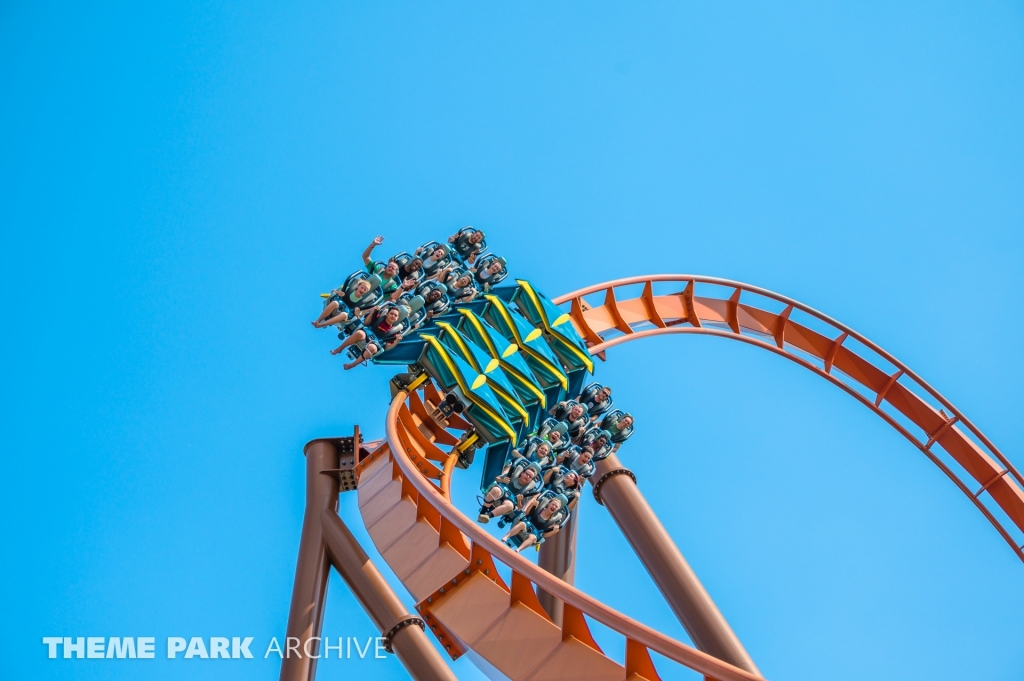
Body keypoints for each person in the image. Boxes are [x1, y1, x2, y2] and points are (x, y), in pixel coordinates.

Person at [501, 491, 570, 553]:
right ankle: (506, 537)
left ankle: (518, 549)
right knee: (522, 524)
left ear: (557, 510)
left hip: (535, 533)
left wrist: (554, 531)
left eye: (556, 507)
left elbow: (545, 534)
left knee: (533, 538)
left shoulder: (553, 520)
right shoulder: (540, 506)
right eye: (553, 504)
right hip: (527, 524)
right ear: (549, 503)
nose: (554, 507)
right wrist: (532, 505)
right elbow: (527, 513)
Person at [478, 460, 543, 524]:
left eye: (530, 477)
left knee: (510, 505)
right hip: (500, 493)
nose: (527, 476)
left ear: (531, 480)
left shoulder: (528, 491)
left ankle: (487, 516)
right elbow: (497, 478)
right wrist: (502, 480)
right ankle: (482, 512)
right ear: (522, 473)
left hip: (509, 501)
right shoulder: (513, 475)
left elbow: (519, 508)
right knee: (496, 490)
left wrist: (519, 501)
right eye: (527, 474)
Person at [330, 303, 404, 357]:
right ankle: (339, 349)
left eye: (395, 315)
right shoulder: (380, 317)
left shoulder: (394, 332)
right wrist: (373, 312)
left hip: (374, 343)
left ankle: (352, 365)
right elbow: (366, 323)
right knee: (359, 333)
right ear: (387, 313)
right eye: (391, 314)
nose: (393, 316)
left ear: (397, 318)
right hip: (367, 333)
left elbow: (387, 347)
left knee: (372, 348)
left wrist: (397, 341)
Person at [312, 274, 382, 328]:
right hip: (336, 306)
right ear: (358, 286)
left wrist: (357, 314)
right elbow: (333, 291)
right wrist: (338, 292)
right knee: (335, 303)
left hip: (344, 315)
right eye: (362, 287)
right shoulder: (348, 289)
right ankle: (318, 321)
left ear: (366, 292)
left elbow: (358, 317)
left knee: (344, 315)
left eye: (365, 290)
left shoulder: (362, 303)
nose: (362, 290)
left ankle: (321, 325)